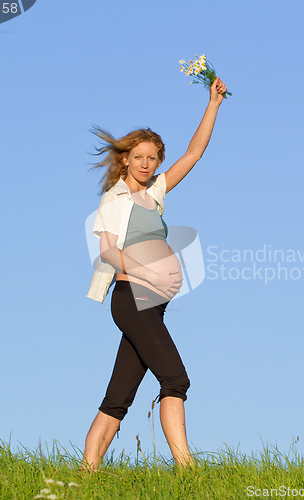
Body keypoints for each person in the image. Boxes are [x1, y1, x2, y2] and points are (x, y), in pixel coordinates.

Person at [82, 76, 228, 471]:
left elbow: (194, 154)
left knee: (118, 399)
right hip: (132, 300)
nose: (146, 164)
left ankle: (85, 475)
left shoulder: (155, 194)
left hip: (151, 306)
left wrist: (213, 103)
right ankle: (187, 467)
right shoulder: (115, 198)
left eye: (153, 158)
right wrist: (154, 275)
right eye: (139, 156)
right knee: (175, 379)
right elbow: (109, 252)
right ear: (126, 158)